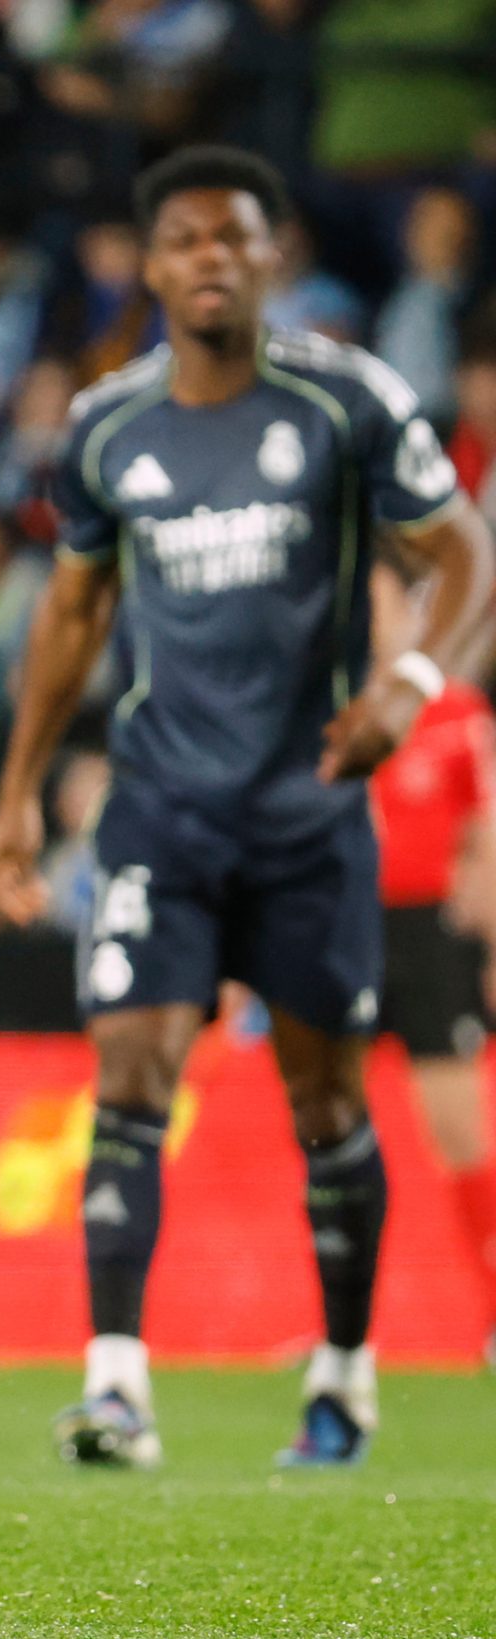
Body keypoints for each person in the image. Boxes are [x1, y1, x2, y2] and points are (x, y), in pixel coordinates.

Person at [0, 145, 496, 1471]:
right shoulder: (108, 427)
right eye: (187, 239)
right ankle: (115, 1384)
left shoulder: (346, 401)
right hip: (163, 810)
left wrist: (411, 684)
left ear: (275, 257)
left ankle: (343, 1372)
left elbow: (465, 553)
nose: (213, 256)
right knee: (132, 1071)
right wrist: (16, 798)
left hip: (311, 810)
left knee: (326, 1104)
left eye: (236, 237)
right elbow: (74, 612)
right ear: (152, 266)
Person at [365, 567, 496, 1367]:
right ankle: (344, 1331)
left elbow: (483, 841)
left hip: (427, 932)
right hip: (339, 926)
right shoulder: (327, 710)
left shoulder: (457, 714)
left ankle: (489, 1314)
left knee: (460, 1132)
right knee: (327, 1124)